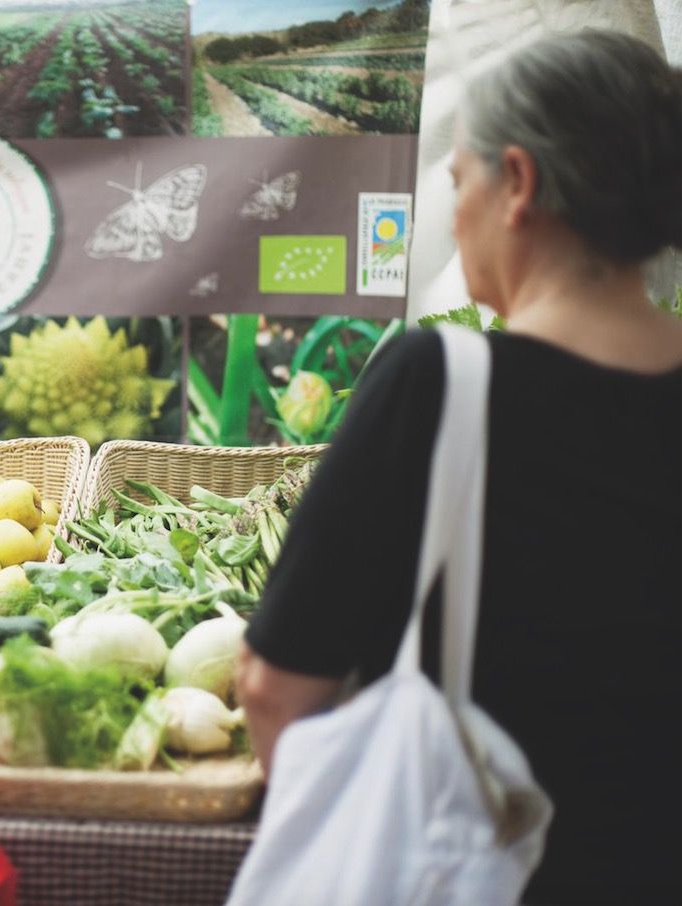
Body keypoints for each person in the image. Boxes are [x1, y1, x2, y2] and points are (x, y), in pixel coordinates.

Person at [236, 30, 681, 906]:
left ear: (516, 182)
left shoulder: (440, 383)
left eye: (456, 181)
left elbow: (275, 685)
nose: (453, 214)